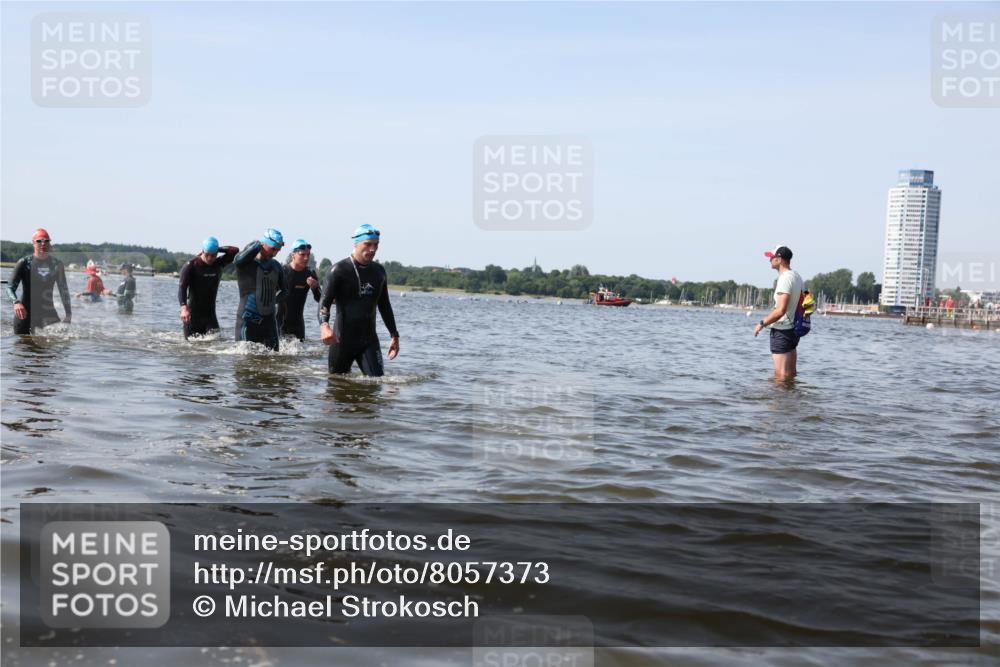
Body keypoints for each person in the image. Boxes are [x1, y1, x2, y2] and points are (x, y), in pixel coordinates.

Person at [319, 224, 400, 376]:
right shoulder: (338, 271)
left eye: (376, 245)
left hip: (369, 341)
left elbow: (384, 305)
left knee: (376, 384)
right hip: (341, 341)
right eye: (368, 244)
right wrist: (324, 325)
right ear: (355, 244)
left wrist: (394, 335)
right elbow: (324, 302)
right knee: (337, 387)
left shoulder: (379, 272)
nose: (372, 249)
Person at [5, 228, 72, 334]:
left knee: (58, 347)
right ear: (33, 243)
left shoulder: (57, 264)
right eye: (39, 241)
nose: (43, 244)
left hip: (48, 313)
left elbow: (63, 290)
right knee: (22, 347)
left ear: (50, 243)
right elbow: (9, 287)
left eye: (46, 241)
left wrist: (68, 314)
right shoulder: (24, 263)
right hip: (25, 314)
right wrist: (16, 303)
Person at [753, 245, 803, 381]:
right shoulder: (796, 276)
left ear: (779, 259)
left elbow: (781, 310)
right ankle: (790, 401)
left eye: (772, 257)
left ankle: (778, 402)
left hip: (782, 331)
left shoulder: (785, 279)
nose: (770, 260)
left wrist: (762, 323)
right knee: (790, 374)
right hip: (793, 330)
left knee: (781, 375)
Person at [234, 228, 287, 351]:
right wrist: (257, 245)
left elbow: (285, 291)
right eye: (273, 249)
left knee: (275, 361)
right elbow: (237, 260)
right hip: (247, 320)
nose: (275, 253)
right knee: (245, 363)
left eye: (278, 250)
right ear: (263, 244)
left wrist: (274, 300)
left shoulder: (276, 266)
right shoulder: (246, 264)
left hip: (269, 322)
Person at [178, 236, 239, 338]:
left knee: (214, 345)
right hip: (192, 316)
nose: (210, 258)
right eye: (207, 254)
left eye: (213, 255)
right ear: (202, 251)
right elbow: (182, 288)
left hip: (210, 316)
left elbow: (235, 251)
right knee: (190, 349)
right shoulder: (191, 265)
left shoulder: (219, 263)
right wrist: (184, 308)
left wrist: (217, 248)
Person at [278, 239, 321, 341]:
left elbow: (320, 299)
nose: (306, 258)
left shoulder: (310, 274)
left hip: (298, 325)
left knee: (299, 355)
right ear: (293, 255)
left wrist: (315, 287)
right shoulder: (282, 271)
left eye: (308, 255)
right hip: (279, 322)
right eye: (302, 255)